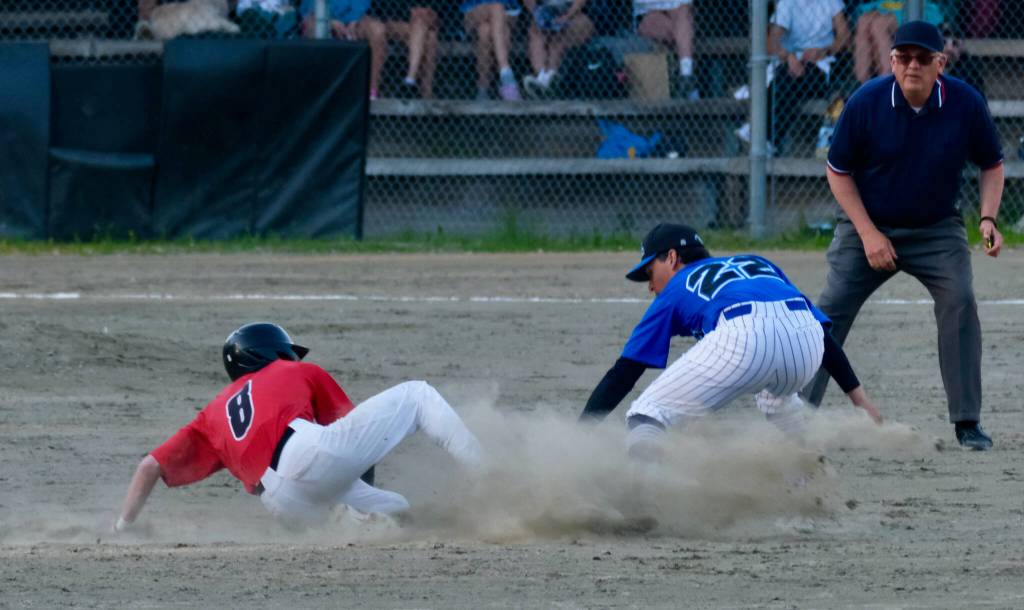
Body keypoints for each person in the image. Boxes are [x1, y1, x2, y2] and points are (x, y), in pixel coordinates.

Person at [804, 21, 1004, 450]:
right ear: (891, 61)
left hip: (935, 228)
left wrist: (988, 219)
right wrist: (868, 233)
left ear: (941, 63)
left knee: (960, 300)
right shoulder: (865, 103)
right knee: (829, 310)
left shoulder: (965, 103)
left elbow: (992, 164)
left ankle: (967, 422)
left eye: (923, 58)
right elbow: (837, 174)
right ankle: (798, 413)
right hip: (867, 226)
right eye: (904, 57)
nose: (913, 65)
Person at [112, 323, 484, 532]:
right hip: (310, 454)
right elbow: (351, 438)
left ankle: (365, 522)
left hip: (282, 503)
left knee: (396, 509)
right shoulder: (292, 370)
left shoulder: (210, 415)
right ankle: (491, 475)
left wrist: (123, 527)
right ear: (273, 351)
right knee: (417, 396)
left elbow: (148, 467)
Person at [579, 224, 883, 458]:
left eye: (650, 271)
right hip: (806, 340)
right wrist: (860, 400)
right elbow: (820, 332)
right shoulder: (757, 263)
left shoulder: (675, 289)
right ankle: (809, 482)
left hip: (745, 333)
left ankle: (643, 493)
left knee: (646, 414)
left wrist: (579, 433)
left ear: (672, 258)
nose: (650, 286)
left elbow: (625, 372)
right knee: (778, 400)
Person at [767, 0, 850, 154]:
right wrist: (789, 57)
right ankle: (768, 140)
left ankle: (767, 139)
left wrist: (825, 51)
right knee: (787, 78)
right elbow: (772, 43)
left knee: (789, 82)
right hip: (790, 62)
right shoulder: (787, 3)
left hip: (820, 63)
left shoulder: (831, 2)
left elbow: (844, 37)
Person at [298, 0, 388, 100]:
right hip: (320, 16)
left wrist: (354, 19)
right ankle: (316, 92)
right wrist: (329, 21)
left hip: (353, 18)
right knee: (313, 26)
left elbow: (362, 3)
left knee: (377, 30)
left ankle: (371, 92)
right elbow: (310, 8)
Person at [852, 1, 946, 83]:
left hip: (913, 6)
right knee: (863, 21)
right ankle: (862, 84)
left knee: (878, 25)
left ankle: (887, 79)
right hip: (887, 4)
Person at [520, 0, 594, 98]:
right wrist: (537, 12)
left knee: (559, 37)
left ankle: (549, 79)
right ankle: (542, 78)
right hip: (546, 12)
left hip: (573, 13)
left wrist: (567, 16)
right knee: (535, 33)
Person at [372, 0, 441, 99]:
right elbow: (383, 10)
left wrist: (430, 13)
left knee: (431, 37)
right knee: (424, 30)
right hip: (394, 21)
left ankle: (414, 82)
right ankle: (420, 88)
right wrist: (409, 11)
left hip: (422, 23)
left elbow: (441, 11)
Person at [634, 0, 697, 100]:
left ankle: (686, 77)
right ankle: (688, 81)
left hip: (679, 12)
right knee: (683, 33)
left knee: (683, 12)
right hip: (648, 13)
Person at [461, 0, 523, 100]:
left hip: (506, 13)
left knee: (484, 31)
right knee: (496, 7)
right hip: (473, 11)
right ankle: (506, 75)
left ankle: (483, 88)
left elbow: (513, 11)